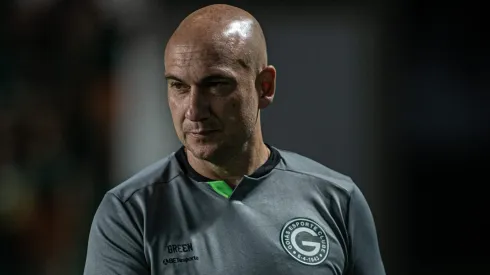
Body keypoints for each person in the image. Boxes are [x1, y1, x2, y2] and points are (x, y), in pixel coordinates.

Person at [83, 4, 385, 275]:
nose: (194, 110)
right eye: (179, 86)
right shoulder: (130, 213)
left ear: (264, 87)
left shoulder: (337, 200)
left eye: (215, 84)